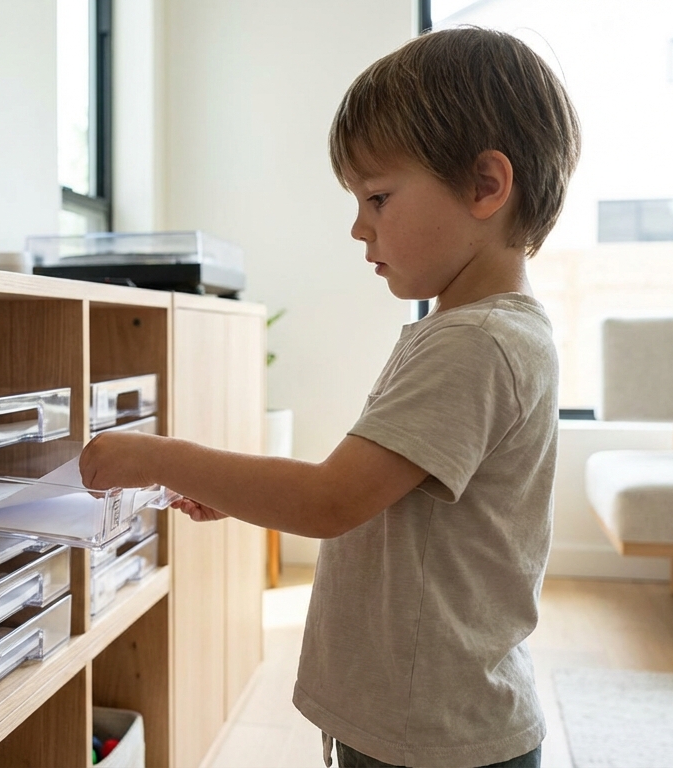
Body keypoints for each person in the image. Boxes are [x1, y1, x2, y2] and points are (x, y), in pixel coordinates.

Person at [80, 25, 580, 768]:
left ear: (485, 186)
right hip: (423, 721)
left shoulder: (474, 343)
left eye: (378, 197)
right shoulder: (479, 332)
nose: (358, 227)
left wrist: (157, 457)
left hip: (433, 739)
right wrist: (238, 490)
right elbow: (370, 490)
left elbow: (329, 501)